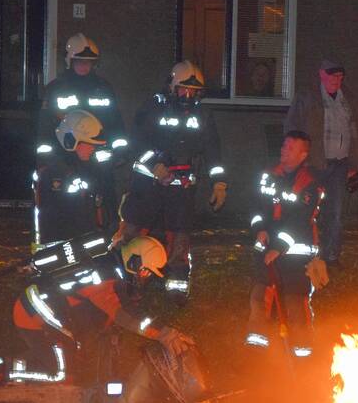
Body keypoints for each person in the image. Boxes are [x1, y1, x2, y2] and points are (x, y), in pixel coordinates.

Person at [0, 233, 193, 386]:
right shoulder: (104, 280)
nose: (145, 278)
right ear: (136, 263)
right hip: (35, 311)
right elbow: (126, 317)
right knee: (61, 374)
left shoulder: (109, 263)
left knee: (64, 356)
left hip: (41, 307)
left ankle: (7, 366)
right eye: (146, 272)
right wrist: (163, 334)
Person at [120, 60, 226, 303]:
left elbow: (213, 151)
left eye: (193, 91)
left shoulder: (202, 115)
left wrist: (219, 183)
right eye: (183, 90)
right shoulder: (153, 108)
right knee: (134, 233)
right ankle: (130, 281)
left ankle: (176, 286)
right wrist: (154, 165)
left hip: (181, 192)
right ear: (172, 87)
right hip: (147, 187)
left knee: (179, 239)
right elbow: (136, 143)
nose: (188, 96)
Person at [245, 130, 328, 359]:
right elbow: (255, 206)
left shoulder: (310, 185)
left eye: (290, 148)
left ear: (303, 155)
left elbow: (300, 221)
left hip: (295, 257)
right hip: (267, 252)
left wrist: (278, 247)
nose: (284, 150)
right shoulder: (268, 176)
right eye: (283, 146)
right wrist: (259, 228)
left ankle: (302, 354)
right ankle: (257, 349)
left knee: (294, 303)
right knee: (259, 297)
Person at [36, 34, 128, 230]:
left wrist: (118, 152)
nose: (84, 66)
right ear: (69, 60)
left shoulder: (103, 89)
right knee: (67, 207)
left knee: (104, 206)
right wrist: (50, 160)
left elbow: (115, 124)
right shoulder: (56, 89)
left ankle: (104, 250)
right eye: (79, 61)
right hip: (67, 161)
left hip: (99, 160)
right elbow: (45, 128)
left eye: (89, 62)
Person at [284, 58, 358, 268]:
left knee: (335, 212)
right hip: (314, 163)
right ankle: (304, 253)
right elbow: (293, 126)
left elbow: (355, 131)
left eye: (340, 76)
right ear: (322, 74)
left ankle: (331, 255)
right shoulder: (308, 96)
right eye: (332, 75)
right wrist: (297, 158)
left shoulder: (348, 99)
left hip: (339, 164)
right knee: (307, 209)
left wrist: (356, 161)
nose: (337, 80)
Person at [33, 110, 107, 248]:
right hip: (61, 246)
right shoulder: (53, 173)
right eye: (89, 144)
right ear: (71, 141)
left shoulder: (88, 170)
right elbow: (50, 216)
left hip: (84, 242)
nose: (93, 149)